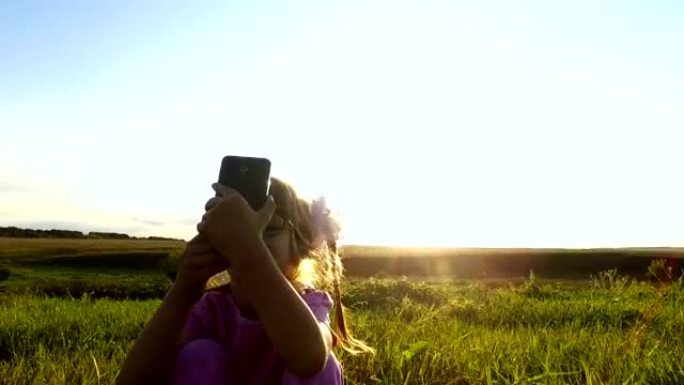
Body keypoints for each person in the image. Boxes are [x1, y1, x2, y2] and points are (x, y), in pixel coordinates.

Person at [116, 177, 373, 385]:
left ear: (300, 244)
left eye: (267, 229)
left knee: (323, 364)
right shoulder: (212, 309)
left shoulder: (312, 305)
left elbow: (309, 358)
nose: (250, 239)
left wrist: (247, 249)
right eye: (238, 231)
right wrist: (184, 289)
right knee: (199, 354)